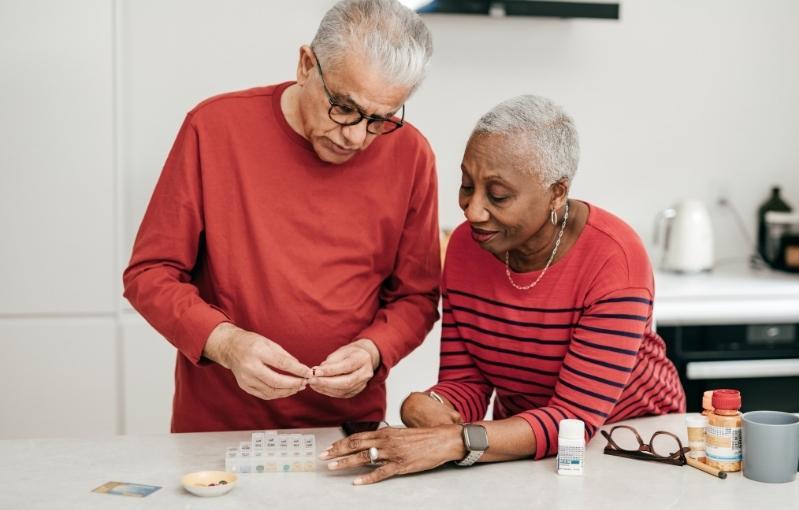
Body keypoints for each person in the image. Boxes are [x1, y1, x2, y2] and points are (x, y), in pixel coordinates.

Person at [321, 95, 685, 485]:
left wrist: (453, 442)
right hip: (526, 448)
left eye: (498, 196)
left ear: (557, 192)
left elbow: (573, 420)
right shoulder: (467, 247)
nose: (472, 210)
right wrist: (426, 406)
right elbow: (469, 383)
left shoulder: (614, 261)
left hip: (639, 445)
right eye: (466, 185)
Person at [123, 0, 440, 432]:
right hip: (220, 427)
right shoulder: (214, 128)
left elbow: (416, 297)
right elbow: (150, 274)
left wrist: (373, 350)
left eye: (379, 120)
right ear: (307, 65)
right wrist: (227, 344)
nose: (355, 136)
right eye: (343, 107)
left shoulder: (411, 155)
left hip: (347, 428)